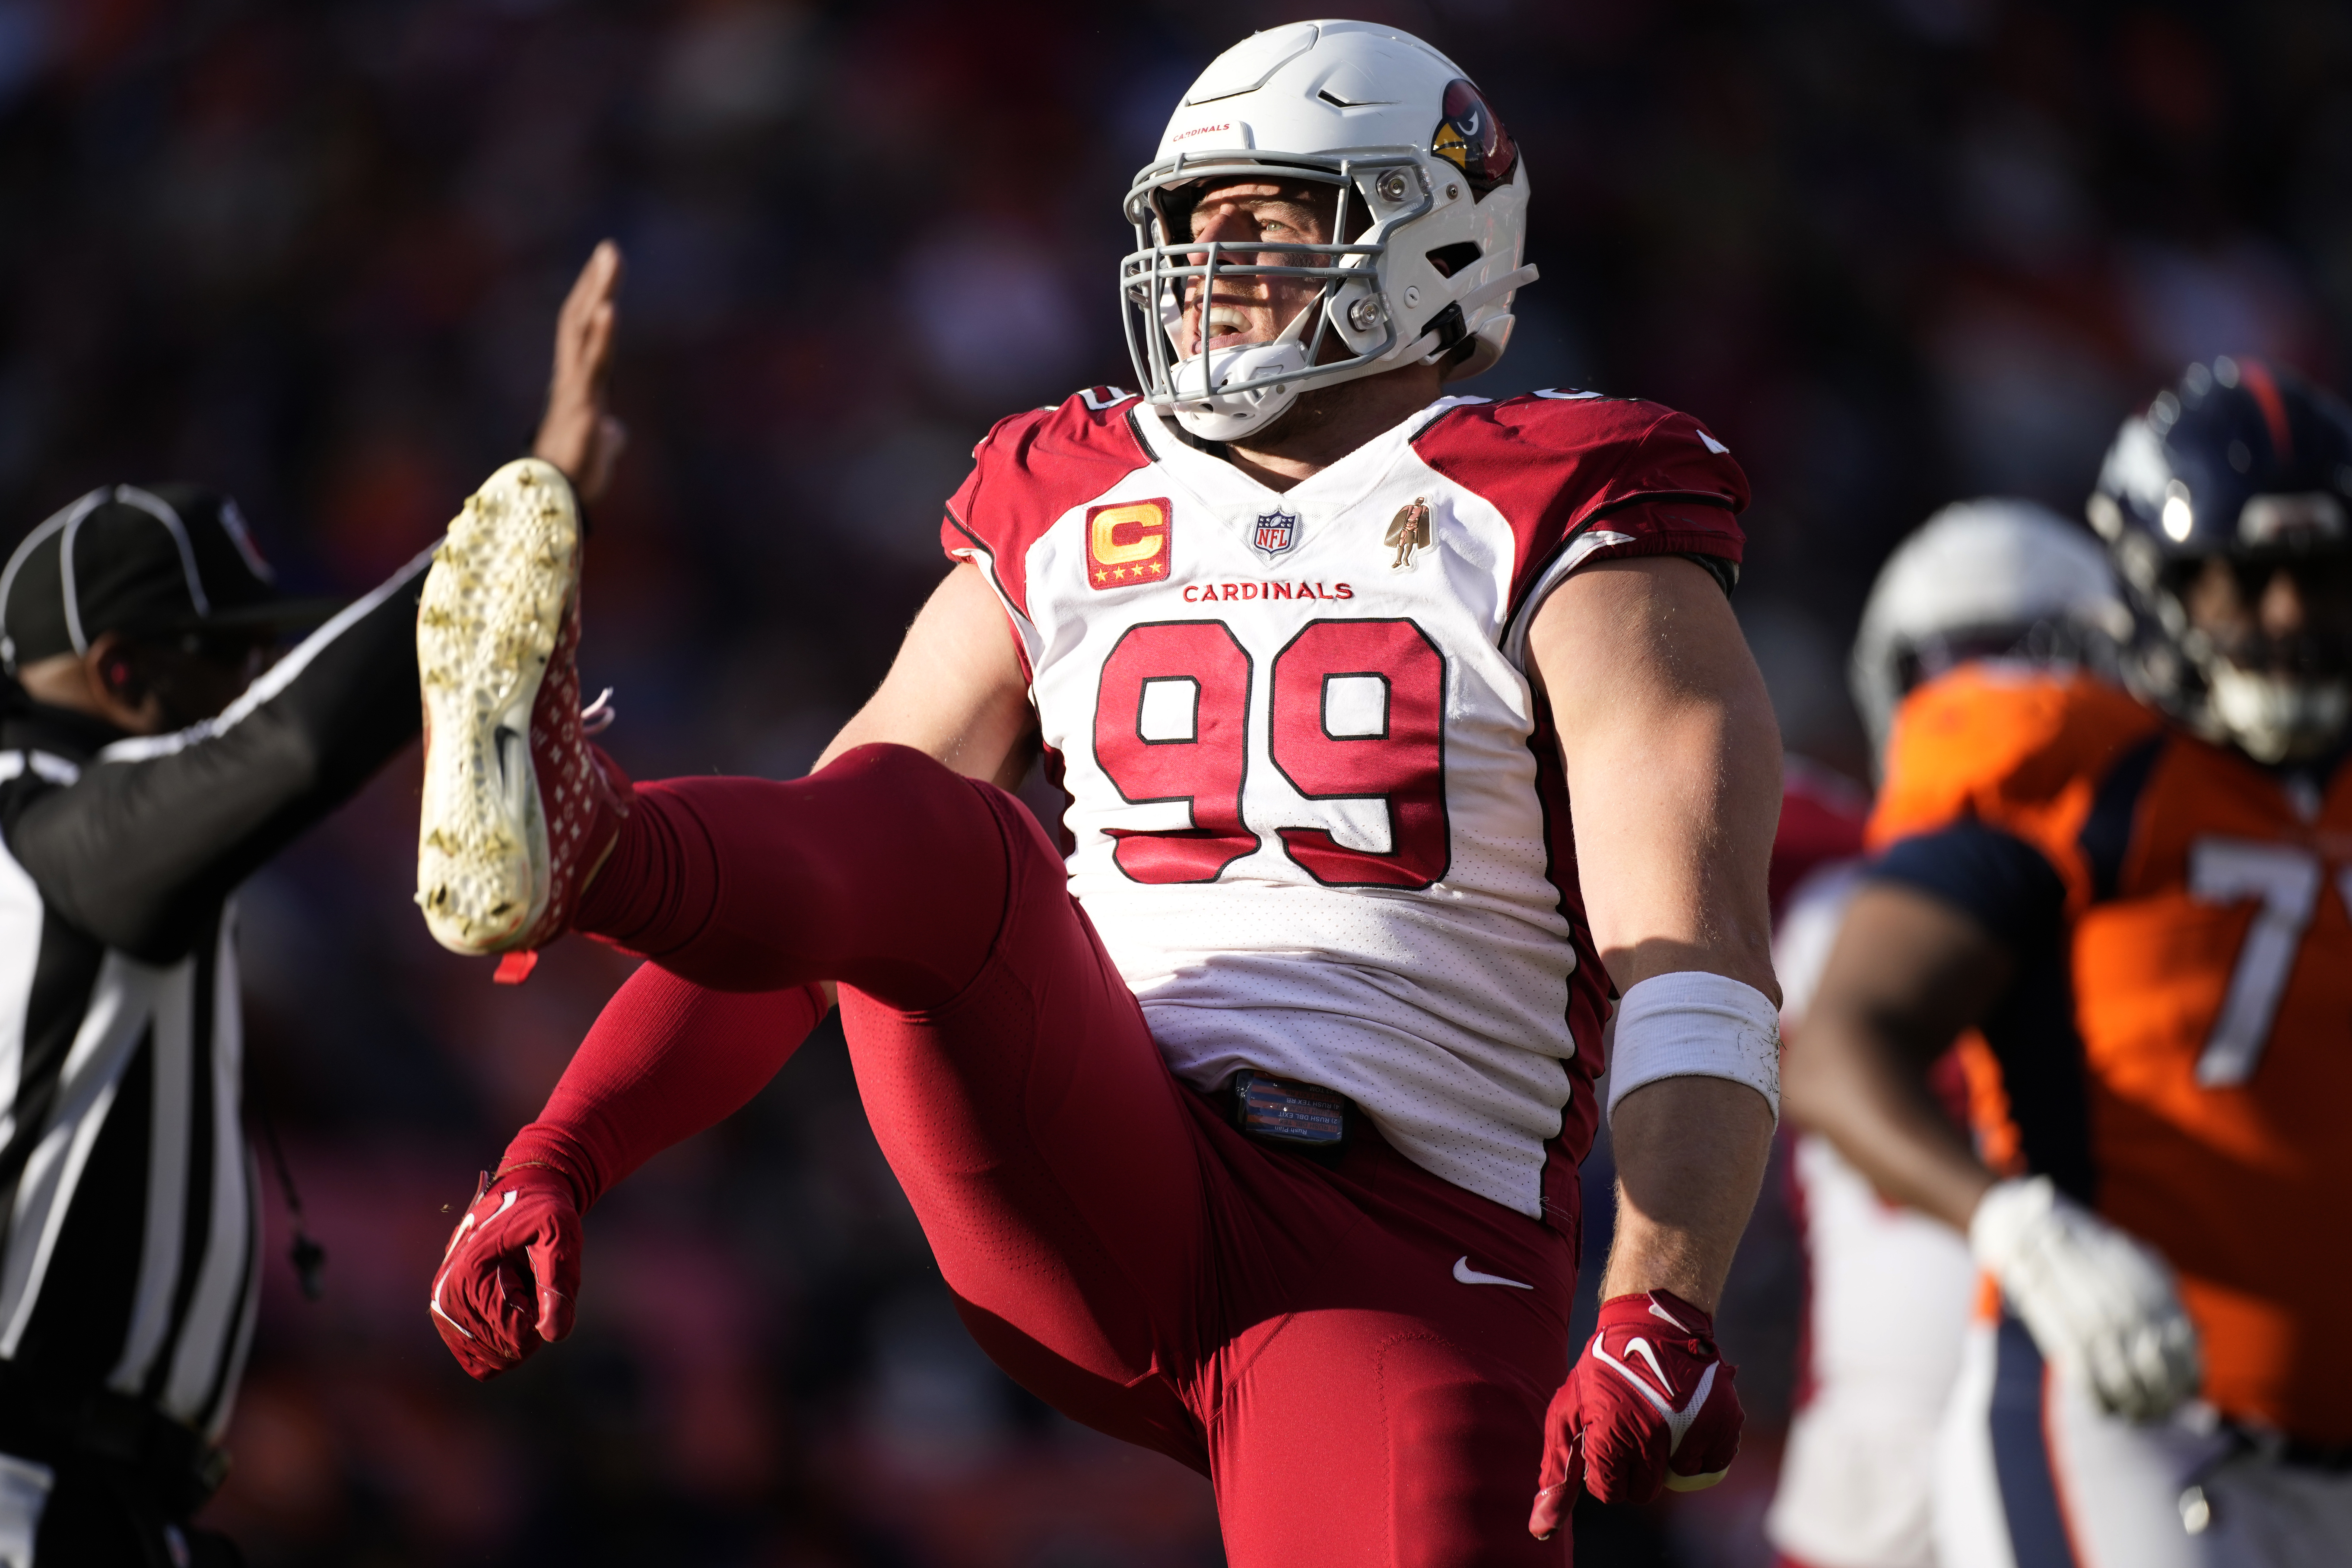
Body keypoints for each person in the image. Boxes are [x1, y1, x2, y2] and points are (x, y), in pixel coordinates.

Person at [418, 21, 1784, 1561]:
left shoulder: (1568, 506)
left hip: (1399, 1255)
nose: (1210, 274)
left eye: (1264, 224)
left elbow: (1692, 961)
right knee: (945, 830)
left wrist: (1657, 1296)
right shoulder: (1071, 487)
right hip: (1097, 1149)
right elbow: (837, 876)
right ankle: (591, 838)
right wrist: (560, 1150)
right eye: (1190, 231)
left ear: (1430, 229)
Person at [0, 256, 620, 1568]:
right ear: (121, 674)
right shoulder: (47, 822)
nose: (248, 679)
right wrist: (530, 502)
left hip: (108, 1495)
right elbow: (279, 748)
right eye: (220, 658)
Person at [1785, 358, 2352, 1568]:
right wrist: (2018, 1229)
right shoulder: (2076, 774)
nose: (2287, 620)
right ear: (2147, 585)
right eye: (2243, 582)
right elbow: (1837, 1044)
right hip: (2136, 1421)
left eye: (2316, 577)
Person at [1764, 500, 2128, 1568]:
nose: (1993, 710)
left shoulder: (2172, 883)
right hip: (1875, 1479)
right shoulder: (1811, 869)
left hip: (2105, 1425)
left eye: (2028, 662)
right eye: (1957, 670)